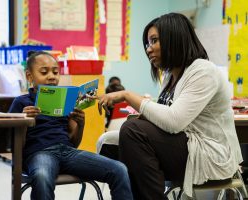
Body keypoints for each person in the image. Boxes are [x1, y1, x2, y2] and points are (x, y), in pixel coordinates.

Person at [95, 13, 243, 200]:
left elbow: (174, 121)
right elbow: (167, 119)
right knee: (109, 143)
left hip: (208, 155)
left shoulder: (203, 71)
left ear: (174, 38)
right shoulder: (169, 76)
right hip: (186, 146)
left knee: (132, 131)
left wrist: (127, 95)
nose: (148, 49)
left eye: (154, 41)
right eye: (147, 44)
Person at [8, 51, 133, 200]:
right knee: (42, 176)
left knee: (119, 169)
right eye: (44, 72)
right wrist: (24, 120)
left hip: (68, 152)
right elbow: (12, 144)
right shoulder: (22, 102)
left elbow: (74, 143)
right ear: (29, 76)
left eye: (55, 72)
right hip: (39, 153)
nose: (51, 76)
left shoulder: (64, 101)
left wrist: (80, 124)